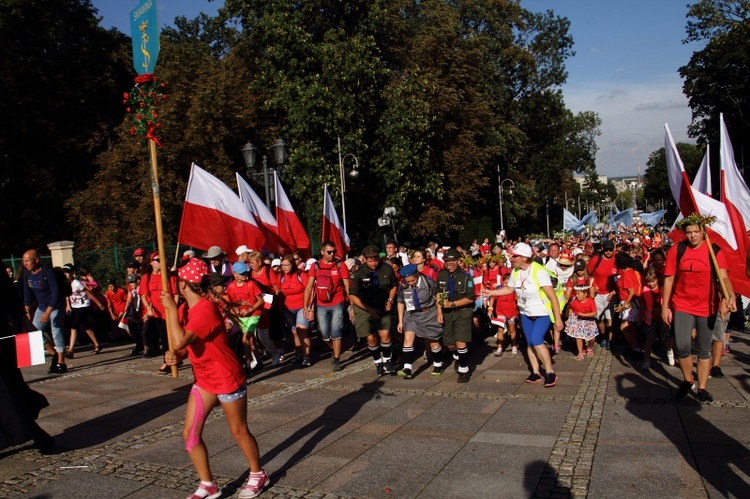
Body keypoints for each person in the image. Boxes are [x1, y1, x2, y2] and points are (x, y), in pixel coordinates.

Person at [160, 258, 268, 499]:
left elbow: (180, 339)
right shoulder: (189, 309)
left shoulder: (204, 310)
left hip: (227, 377)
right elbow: (187, 344)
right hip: (205, 379)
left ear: (183, 284)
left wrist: (169, 310)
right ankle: (208, 483)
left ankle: (258, 474)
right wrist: (175, 356)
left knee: (238, 430)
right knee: (190, 434)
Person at [662, 215, 736, 403]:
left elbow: (724, 278)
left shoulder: (714, 251)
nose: (693, 236)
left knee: (704, 349)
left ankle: (702, 388)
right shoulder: (677, 249)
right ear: (684, 233)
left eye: (696, 231)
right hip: (683, 304)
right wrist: (665, 306)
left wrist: (731, 296)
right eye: (689, 232)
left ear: (704, 231)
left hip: (707, 305)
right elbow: (669, 279)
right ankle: (688, 379)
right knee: (682, 345)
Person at [483, 243, 564, 388]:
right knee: (530, 343)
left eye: (515, 256)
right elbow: (509, 289)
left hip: (542, 312)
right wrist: (491, 292)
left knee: (537, 340)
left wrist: (558, 319)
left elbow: (553, 297)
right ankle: (535, 372)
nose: (512, 258)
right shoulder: (515, 272)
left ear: (525, 258)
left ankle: (550, 372)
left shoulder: (539, 272)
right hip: (525, 313)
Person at [349, 245, 398, 375]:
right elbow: (352, 296)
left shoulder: (387, 269)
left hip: (382, 305)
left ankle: (387, 361)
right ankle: (377, 361)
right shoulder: (358, 273)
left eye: (376, 259)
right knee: (371, 338)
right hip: (364, 308)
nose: (374, 263)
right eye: (370, 260)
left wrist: (390, 300)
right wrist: (369, 309)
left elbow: (394, 286)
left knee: (385, 335)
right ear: (365, 260)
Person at [303, 241, 351, 372]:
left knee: (336, 331)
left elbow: (347, 287)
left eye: (333, 252)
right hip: (321, 304)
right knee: (324, 333)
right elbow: (309, 287)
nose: (332, 254)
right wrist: (305, 306)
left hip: (337, 302)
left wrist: (351, 306)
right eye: (329, 252)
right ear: (322, 252)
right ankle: (335, 348)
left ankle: (336, 358)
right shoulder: (316, 266)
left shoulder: (340, 265)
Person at [21, 250, 67, 374]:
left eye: (28, 260)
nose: (25, 263)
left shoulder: (48, 272)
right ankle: (54, 354)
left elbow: (56, 292)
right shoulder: (27, 274)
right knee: (34, 332)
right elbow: (27, 292)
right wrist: (27, 307)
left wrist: (48, 312)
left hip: (55, 306)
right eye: (23, 261)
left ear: (36, 260)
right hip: (41, 307)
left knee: (56, 331)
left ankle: (61, 362)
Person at [395, 264, 444, 379]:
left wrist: (440, 312)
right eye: (408, 281)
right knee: (408, 339)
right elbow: (401, 302)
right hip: (411, 315)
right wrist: (400, 321)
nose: (411, 283)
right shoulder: (403, 286)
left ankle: (438, 364)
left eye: (413, 280)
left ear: (417, 275)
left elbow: (438, 296)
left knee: (433, 343)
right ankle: (407, 368)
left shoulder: (428, 282)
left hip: (428, 314)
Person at [435, 247, 475, 383]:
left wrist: (452, 304)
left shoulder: (466, 277)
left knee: (460, 341)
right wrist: (439, 311)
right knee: (450, 344)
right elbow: (438, 293)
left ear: (458, 261)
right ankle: (458, 356)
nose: (449, 265)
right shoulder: (442, 275)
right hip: (447, 313)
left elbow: (470, 298)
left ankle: (464, 370)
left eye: (452, 262)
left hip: (463, 312)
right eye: (447, 262)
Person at [139, 251, 178, 373]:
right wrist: (148, 308)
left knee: (169, 338)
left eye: (163, 259)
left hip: (168, 312)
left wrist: (174, 309)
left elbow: (175, 294)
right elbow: (144, 295)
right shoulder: (147, 277)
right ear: (151, 263)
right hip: (157, 314)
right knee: (161, 337)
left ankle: (169, 362)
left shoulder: (168, 276)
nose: (161, 262)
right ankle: (168, 360)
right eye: (158, 260)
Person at [226, 261, 264, 373]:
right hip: (241, 317)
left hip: (253, 315)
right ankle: (259, 362)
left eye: (246, 273)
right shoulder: (231, 287)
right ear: (235, 274)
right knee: (251, 340)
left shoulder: (251, 284)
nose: (246, 276)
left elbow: (260, 300)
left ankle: (248, 364)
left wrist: (250, 309)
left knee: (245, 338)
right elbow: (230, 303)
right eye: (243, 274)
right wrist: (235, 309)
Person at [62, 264, 102, 357]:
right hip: (75, 306)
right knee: (86, 326)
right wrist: (68, 305)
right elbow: (67, 294)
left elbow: (89, 293)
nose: (66, 275)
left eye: (68, 273)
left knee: (74, 326)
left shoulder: (77, 283)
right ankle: (97, 344)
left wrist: (99, 304)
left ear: (72, 273)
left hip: (84, 305)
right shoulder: (66, 283)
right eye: (64, 273)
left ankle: (71, 350)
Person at [278, 255, 311, 367]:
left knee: (301, 330)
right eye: (282, 265)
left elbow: (309, 290)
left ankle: (306, 356)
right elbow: (279, 294)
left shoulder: (301, 275)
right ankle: (298, 354)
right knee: (294, 333)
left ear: (293, 264)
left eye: (287, 265)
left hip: (302, 306)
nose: (284, 267)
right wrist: (280, 308)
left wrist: (310, 308)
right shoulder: (281, 277)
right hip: (288, 308)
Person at [587, 240, 618, 349]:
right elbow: (588, 274)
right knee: (599, 317)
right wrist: (593, 285)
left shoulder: (616, 260)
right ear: (603, 249)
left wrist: (614, 291)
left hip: (611, 294)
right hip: (598, 294)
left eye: (611, 250)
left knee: (610, 318)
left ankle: (610, 339)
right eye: (606, 250)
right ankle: (603, 336)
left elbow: (621, 277)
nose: (608, 252)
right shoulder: (596, 260)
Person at [613, 252, 644, 359]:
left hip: (629, 303)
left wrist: (623, 305)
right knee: (630, 328)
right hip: (629, 302)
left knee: (624, 327)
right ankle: (633, 347)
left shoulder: (626, 275)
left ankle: (635, 348)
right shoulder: (630, 272)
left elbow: (631, 292)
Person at [640, 266, 672, 370]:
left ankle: (669, 351)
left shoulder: (663, 288)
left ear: (657, 279)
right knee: (649, 339)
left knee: (665, 339)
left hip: (663, 317)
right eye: (648, 282)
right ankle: (646, 359)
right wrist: (639, 317)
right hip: (650, 319)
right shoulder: (645, 291)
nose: (650, 284)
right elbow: (643, 305)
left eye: (653, 281)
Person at [488, 272, 519, 356]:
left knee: (512, 329)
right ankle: (499, 347)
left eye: (508, 284)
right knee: (500, 329)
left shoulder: (514, 290)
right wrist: (490, 308)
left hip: (511, 311)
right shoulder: (499, 289)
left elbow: (518, 300)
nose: (506, 286)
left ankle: (514, 346)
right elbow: (493, 298)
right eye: (505, 283)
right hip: (500, 311)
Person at [566, 284, 598, 360]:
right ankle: (580, 352)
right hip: (578, 321)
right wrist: (569, 318)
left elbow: (594, 312)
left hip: (589, 321)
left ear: (585, 294)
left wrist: (584, 314)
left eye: (579, 294)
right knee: (578, 336)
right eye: (576, 293)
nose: (577, 296)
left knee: (592, 338)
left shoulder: (590, 301)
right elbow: (571, 308)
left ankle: (589, 348)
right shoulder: (575, 301)